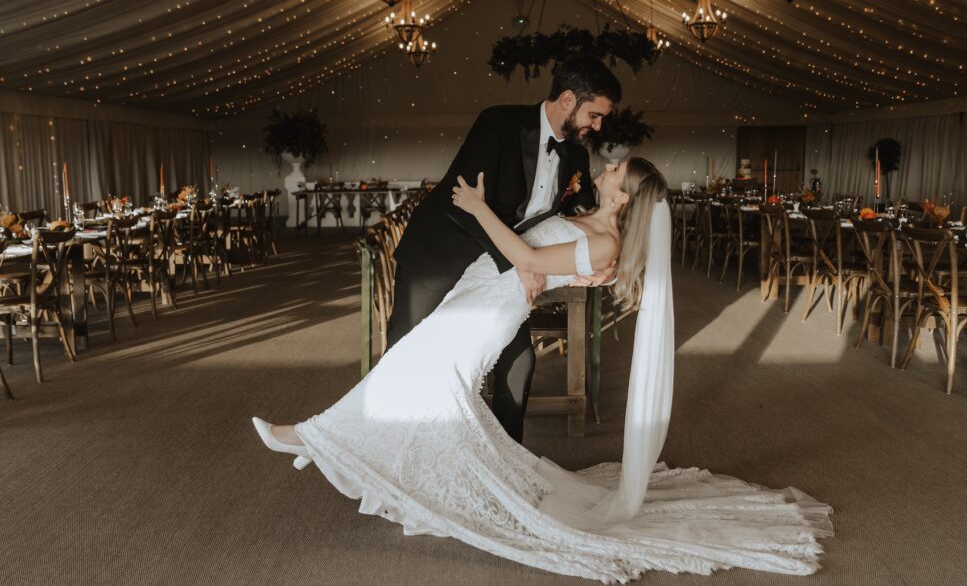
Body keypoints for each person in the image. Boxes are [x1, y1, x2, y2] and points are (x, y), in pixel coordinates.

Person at [253, 158, 833, 581]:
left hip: (490, 308)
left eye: (616, 169)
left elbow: (530, 258)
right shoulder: (592, 223)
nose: (606, 165)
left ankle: (312, 435)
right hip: (481, 292)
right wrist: (541, 264)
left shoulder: (606, 243)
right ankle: (358, 455)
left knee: (412, 373)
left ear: (624, 197)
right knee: (420, 381)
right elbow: (540, 253)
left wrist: (482, 212)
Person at [386, 54, 620, 443]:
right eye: (594, 115)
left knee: (519, 361)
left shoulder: (577, 155)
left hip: (497, 271)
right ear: (567, 101)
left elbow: (571, 213)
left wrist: (594, 258)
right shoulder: (498, 123)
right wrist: (519, 264)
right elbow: (458, 202)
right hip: (439, 255)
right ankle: (386, 452)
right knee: (408, 354)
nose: (597, 126)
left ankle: (504, 462)